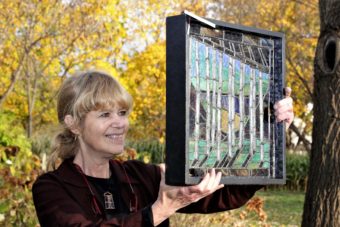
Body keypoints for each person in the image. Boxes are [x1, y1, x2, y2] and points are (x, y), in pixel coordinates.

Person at [32, 70, 294, 226]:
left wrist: (272, 130)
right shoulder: (52, 188)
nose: (119, 124)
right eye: (104, 115)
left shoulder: (140, 176)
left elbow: (224, 195)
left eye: (122, 112)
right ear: (74, 124)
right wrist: (160, 210)